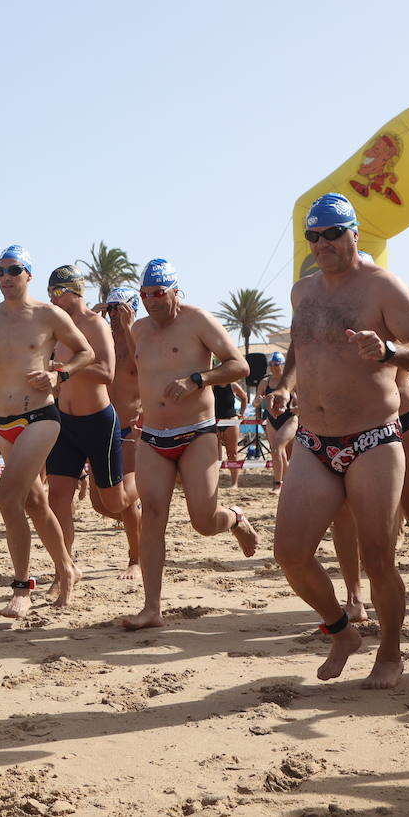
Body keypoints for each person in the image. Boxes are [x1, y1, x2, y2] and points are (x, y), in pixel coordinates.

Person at [270, 195, 409, 690]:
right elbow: (303, 344)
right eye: (313, 236)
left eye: (331, 234)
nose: (322, 244)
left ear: (354, 234)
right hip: (314, 440)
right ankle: (341, 631)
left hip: (374, 438)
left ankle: (390, 652)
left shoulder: (383, 286)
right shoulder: (303, 291)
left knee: (378, 557)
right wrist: (284, 386)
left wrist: (390, 349)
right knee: (290, 552)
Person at [122, 258, 258, 630]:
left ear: (175, 291)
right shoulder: (138, 329)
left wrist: (198, 378)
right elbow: (137, 376)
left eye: (159, 293)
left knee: (203, 521)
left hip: (196, 432)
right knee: (151, 517)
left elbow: (239, 365)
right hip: (152, 437)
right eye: (145, 294)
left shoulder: (198, 320)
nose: (151, 300)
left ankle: (234, 518)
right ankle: (152, 608)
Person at [0, 246, 93, 616]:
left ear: (28, 275)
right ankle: (67, 567)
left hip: (40, 417)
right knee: (35, 504)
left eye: (14, 270)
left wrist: (59, 373)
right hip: (5, 422)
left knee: (7, 497)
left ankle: (22, 587)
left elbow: (85, 352)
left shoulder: (48, 314)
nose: (5, 277)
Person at [45, 266, 140, 577]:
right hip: (65, 422)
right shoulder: (58, 328)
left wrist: (67, 368)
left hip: (99, 421)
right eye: (49, 293)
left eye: (58, 292)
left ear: (75, 291)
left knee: (114, 504)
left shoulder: (94, 324)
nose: (53, 298)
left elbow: (106, 373)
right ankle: (65, 569)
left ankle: (142, 482)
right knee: (57, 498)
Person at [255, 352, 297, 492]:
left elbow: (305, 399)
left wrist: (298, 408)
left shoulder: (290, 381)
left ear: (283, 365)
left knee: (281, 449)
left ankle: (284, 483)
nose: (273, 367)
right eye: (271, 364)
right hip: (272, 419)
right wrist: (259, 402)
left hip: (289, 419)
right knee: (276, 450)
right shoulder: (265, 382)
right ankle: (282, 483)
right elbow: (256, 402)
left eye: (277, 364)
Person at [212, 374, 249, 490]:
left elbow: (244, 397)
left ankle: (234, 483)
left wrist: (242, 413)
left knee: (232, 454)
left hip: (230, 421)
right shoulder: (212, 386)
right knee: (215, 456)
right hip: (216, 422)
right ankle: (214, 483)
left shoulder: (233, 385)